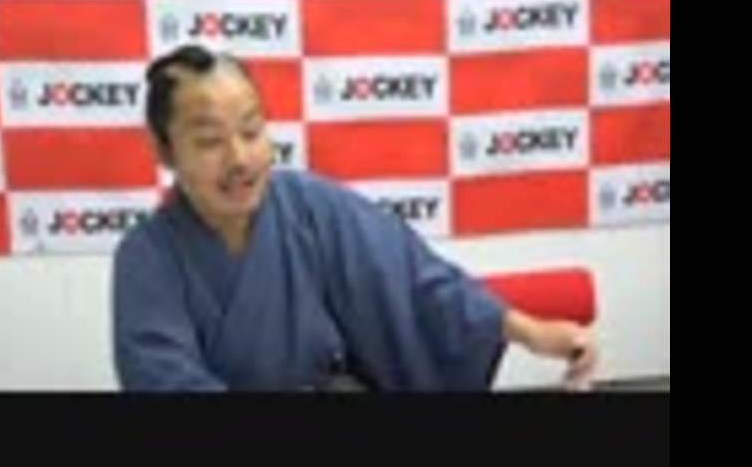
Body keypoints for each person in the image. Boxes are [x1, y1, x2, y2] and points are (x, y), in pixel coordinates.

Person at [112, 44, 598, 392]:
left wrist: (528, 331)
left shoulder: (309, 205)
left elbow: (417, 284)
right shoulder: (148, 256)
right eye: (210, 141)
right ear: (165, 151)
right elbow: (162, 377)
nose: (239, 158)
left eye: (251, 130)